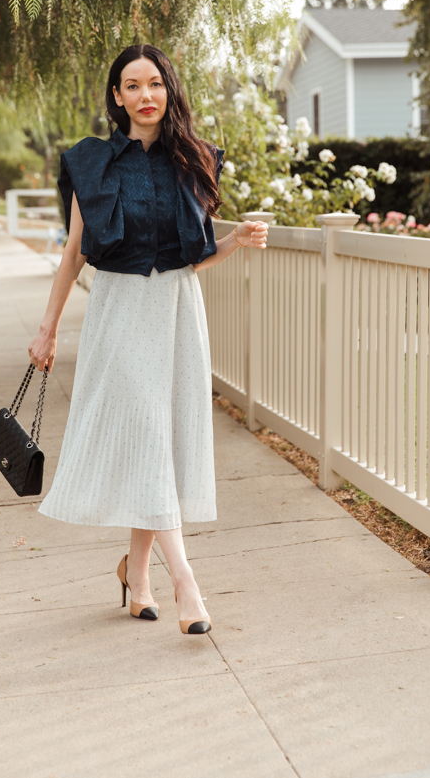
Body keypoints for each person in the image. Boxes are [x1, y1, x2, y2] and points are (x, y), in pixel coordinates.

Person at [28, 44, 269, 636]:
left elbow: (190, 257)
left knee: (156, 440)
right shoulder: (93, 164)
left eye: (154, 83)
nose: (145, 95)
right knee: (146, 430)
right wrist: (48, 328)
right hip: (118, 310)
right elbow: (72, 254)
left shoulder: (195, 160)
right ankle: (186, 582)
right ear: (117, 97)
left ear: (169, 90)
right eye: (131, 85)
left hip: (177, 311)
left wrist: (236, 242)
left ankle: (136, 575)